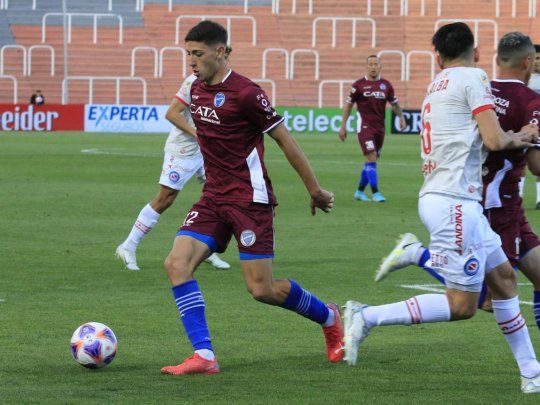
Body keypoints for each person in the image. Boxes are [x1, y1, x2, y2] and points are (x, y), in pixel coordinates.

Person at [343, 23, 540, 394]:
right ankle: (367, 316)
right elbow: (495, 139)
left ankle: (531, 372)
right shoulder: (474, 78)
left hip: (452, 198)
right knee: (463, 305)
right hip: (454, 203)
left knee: (504, 281)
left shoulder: (437, 83)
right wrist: (523, 135)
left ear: (437, 56)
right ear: (477, 52)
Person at [159, 20, 343, 376]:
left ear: (222, 51)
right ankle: (205, 356)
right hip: (213, 196)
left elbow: (285, 141)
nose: (192, 62)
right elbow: (180, 116)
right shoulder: (195, 89)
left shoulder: (246, 93)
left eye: (198, 54)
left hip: (249, 199)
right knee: (176, 264)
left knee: (262, 289)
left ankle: (329, 316)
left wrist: (315, 190)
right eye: (188, 54)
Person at [375, 32, 540, 329]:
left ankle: (533, 368)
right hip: (493, 205)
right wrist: (526, 137)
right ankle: (418, 256)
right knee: (488, 297)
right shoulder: (523, 98)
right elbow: (531, 162)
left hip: (490, 199)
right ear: (528, 62)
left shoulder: (471, 88)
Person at [116, 74, 231, 271]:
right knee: (165, 199)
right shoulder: (193, 82)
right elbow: (171, 113)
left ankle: (205, 249)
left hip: (205, 151)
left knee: (218, 196)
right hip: (183, 150)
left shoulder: (225, 82)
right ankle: (128, 246)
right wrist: (199, 135)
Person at [338, 55, 406, 202]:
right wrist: (343, 126)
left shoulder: (386, 85)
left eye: (376, 64)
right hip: (365, 127)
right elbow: (348, 105)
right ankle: (376, 193)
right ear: (367, 67)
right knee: (371, 156)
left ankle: (359, 192)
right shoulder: (358, 86)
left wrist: (401, 117)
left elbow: (394, 104)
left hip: (380, 128)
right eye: (371, 64)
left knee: (371, 160)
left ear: (380, 66)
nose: (373, 67)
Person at [528, 44, 540, 209]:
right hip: (525, 124)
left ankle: (539, 199)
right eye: (535, 58)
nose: (537, 62)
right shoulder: (525, 79)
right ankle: (516, 193)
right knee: (520, 161)